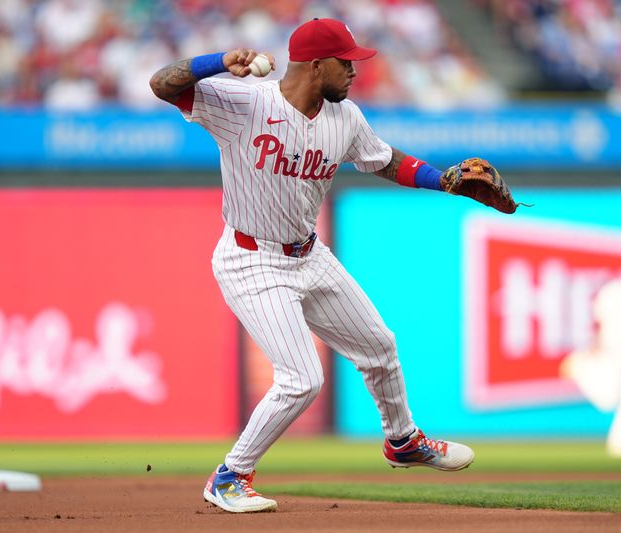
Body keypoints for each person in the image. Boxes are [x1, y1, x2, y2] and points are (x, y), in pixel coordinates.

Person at [150, 18, 485, 514]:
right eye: (345, 61)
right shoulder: (246, 102)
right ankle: (229, 476)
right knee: (301, 379)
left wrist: (444, 180)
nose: (353, 70)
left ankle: (402, 440)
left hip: (309, 254)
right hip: (251, 259)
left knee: (380, 347)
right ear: (315, 65)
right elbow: (162, 84)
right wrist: (218, 62)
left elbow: (386, 160)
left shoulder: (344, 117)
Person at [560, 260, 621, 458]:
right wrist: (595, 346)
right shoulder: (615, 291)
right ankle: (579, 365)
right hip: (613, 348)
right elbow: (600, 320)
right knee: (608, 398)